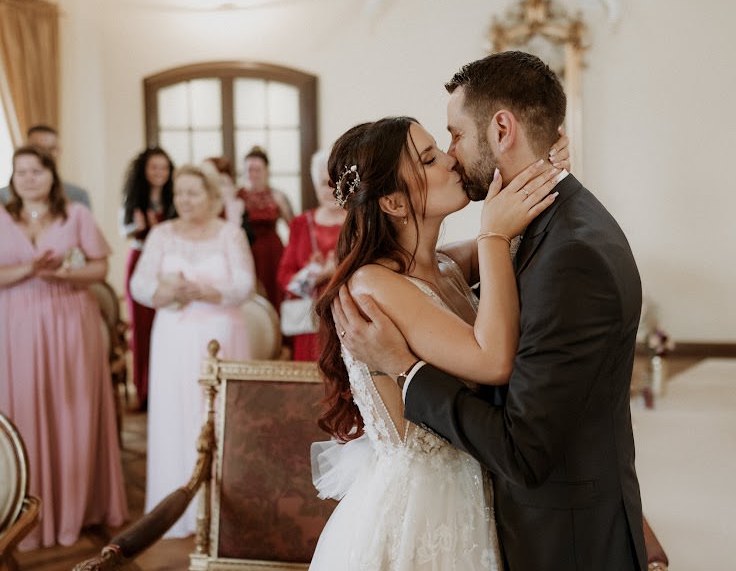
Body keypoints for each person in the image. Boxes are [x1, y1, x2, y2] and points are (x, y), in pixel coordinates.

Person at [333, 51, 647, 570]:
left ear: (502, 128)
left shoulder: (493, 258)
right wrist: (501, 222)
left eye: (450, 138)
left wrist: (531, 175)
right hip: (426, 511)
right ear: (392, 201)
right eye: (433, 155)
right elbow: (491, 348)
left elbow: (478, 264)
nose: (452, 156)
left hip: (527, 510)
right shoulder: (381, 283)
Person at [0, 144, 127, 550]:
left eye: (36, 170)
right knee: (22, 407)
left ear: (52, 174)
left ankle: (79, 507)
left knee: (72, 409)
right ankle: (22, 510)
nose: (28, 178)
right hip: (15, 324)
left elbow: (99, 268)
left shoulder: (77, 214)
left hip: (71, 320)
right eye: (21, 172)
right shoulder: (2, 217)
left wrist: (66, 275)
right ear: (12, 178)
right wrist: (29, 270)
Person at [129, 163, 255, 539]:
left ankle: (224, 511)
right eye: (178, 193)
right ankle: (176, 509)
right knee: (175, 414)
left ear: (213, 196)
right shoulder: (161, 234)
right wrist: (164, 293)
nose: (183, 200)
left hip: (222, 336)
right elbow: (139, 283)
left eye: (192, 192)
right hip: (173, 337)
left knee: (216, 417)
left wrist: (206, 291)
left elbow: (246, 284)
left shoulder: (230, 234)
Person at [119, 147, 175, 411]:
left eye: (164, 168)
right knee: (141, 330)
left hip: (169, 268)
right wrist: (139, 226)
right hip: (141, 262)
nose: (159, 173)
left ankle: (167, 389)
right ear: (144, 170)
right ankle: (143, 391)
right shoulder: (134, 198)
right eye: (154, 167)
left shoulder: (175, 198)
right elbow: (125, 230)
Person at [276, 149, 345, 361]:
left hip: (349, 319)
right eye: (326, 183)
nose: (333, 190)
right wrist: (315, 274)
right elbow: (284, 277)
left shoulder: (360, 222)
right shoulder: (300, 224)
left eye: (338, 182)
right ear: (316, 186)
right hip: (311, 323)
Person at [237, 146, 293, 311]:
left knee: (274, 295)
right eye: (249, 169)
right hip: (246, 253)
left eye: (258, 170)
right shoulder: (236, 196)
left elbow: (294, 228)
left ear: (266, 171)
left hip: (273, 253)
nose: (253, 174)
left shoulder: (278, 196)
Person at [0, 125, 90, 207]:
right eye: (39, 148)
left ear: (59, 151)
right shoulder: (2, 197)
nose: (46, 154)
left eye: (51, 148)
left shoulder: (78, 196)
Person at [204, 156, 254, 244]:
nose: (221, 189)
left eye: (224, 183)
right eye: (218, 183)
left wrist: (231, 207)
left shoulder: (238, 206)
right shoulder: (202, 206)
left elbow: (249, 237)